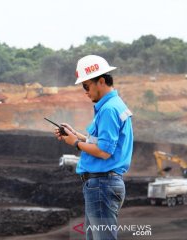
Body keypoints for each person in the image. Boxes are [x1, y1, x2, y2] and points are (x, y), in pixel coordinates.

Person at [54, 55, 133, 240]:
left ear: (101, 81)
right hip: (103, 184)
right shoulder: (115, 105)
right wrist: (76, 135)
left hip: (102, 185)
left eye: (86, 86)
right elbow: (101, 143)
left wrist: (74, 142)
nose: (85, 92)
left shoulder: (108, 110)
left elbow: (104, 152)